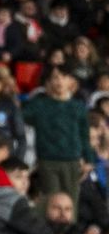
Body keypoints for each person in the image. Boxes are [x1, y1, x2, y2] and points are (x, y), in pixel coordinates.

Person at [23, 68, 91, 204]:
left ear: (71, 81)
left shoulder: (78, 106)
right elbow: (21, 117)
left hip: (72, 160)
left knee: (71, 203)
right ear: (48, 82)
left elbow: (84, 135)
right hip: (47, 160)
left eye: (63, 76)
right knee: (51, 202)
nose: (59, 81)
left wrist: (89, 159)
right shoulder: (38, 105)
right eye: (55, 77)